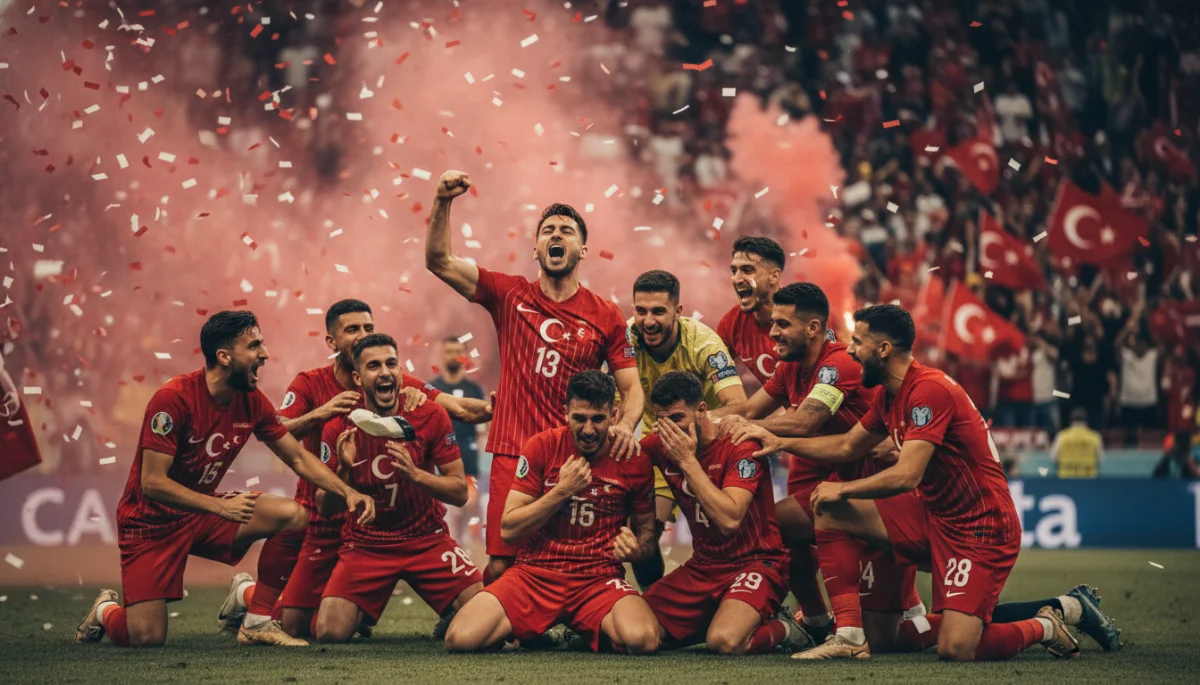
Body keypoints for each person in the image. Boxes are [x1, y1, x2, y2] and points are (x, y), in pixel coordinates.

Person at [752, 305, 1079, 661]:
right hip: (931, 513)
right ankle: (848, 634)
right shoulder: (889, 394)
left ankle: (1045, 625)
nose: (850, 351)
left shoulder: (928, 390)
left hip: (979, 527)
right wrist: (780, 442)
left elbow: (907, 474)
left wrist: (844, 487)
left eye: (857, 342)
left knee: (957, 649)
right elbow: (847, 445)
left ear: (883, 349)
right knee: (829, 510)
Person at [74, 311, 376, 648]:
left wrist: (347, 492)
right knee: (145, 638)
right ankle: (105, 611)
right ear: (224, 356)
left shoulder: (252, 401)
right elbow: (153, 483)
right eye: (254, 346)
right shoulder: (172, 399)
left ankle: (257, 620)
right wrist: (219, 506)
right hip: (150, 524)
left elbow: (297, 457)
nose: (264, 354)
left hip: (201, 514)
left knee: (293, 516)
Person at [217, 300, 492, 640]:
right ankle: (250, 594)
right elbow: (274, 432)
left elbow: (460, 410)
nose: (362, 335)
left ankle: (369, 609)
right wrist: (323, 413)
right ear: (332, 342)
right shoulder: (312, 387)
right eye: (352, 330)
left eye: (368, 328)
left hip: (395, 525)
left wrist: (500, 408)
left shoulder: (408, 390)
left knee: (478, 614)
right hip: (325, 518)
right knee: (301, 627)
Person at [425, 170, 643, 583]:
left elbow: (632, 389)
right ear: (536, 247)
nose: (555, 235)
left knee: (580, 561)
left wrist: (625, 426)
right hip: (514, 451)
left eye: (566, 230)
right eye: (547, 231)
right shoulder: (509, 294)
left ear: (582, 249)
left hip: (575, 455)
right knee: (503, 565)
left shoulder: (606, 314)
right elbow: (439, 261)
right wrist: (442, 200)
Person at [715, 282, 902, 642]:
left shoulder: (839, 363)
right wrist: (700, 420)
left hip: (885, 489)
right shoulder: (791, 367)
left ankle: (934, 619)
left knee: (891, 639)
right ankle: (816, 620)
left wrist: (751, 428)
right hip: (845, 483)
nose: (772, 333)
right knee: (776, 525)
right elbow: (750, 410)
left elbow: (804, 423)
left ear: (813, 328)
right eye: (773, 323)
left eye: (783, 324)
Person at [443, 371, 660, 654]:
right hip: (535, 575)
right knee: (460, 639)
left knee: (644, 640)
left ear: (614, 415)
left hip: (598, 579)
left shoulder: (633, 459)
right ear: (565, 412)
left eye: (598, 419)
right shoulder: (542, 446)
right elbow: (509, 528)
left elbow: (647, 537)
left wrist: (637, 551)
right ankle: (534, 631)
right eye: (579, 418)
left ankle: (580, 634)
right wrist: (562, 491)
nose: (588, 430)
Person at [309, 333, 484, 643]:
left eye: (391, 364)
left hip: (427, 539)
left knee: (482, 618)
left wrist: (416, 475)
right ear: (357, 378)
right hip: (367, 544)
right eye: (373, 366)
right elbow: (325, 507)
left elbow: (459, 492)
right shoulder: (339, 425)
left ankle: (450, 611)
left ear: (401, 372)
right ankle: (360, 610)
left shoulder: (429, 414)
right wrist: (345, 470)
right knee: (329, 633)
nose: (384, 372)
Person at [640, 371, 810, 655]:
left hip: (757, 562)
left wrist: (687, 461)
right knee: (636, 629)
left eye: (678, 418)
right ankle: (722, 616)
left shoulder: (740, 444)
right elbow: (616, 462)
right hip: (703, 566)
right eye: (662, 420)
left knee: (725, 642)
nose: (672, 430)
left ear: (701, 410)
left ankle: (786, 627)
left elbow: (730, 519)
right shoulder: (661, 443)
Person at [625, 269, 747, 589]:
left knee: (729, 535)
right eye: (641, 311)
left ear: (678, 311)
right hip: (659, 447)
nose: (648, 321)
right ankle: (652, 601)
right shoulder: (625, 340)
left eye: (658, 311)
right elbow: (614, 401)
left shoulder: (705, 344)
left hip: (711, 448)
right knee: (642, 537)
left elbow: (738, 405)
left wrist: (691, 425)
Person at [428, 337, 489, 545]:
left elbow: (483, 430)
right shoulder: (432, 388)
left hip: (468, 468)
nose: (453, 356)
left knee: (467, 522)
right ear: (442, 355)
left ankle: (465, 558)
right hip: (439, 470)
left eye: (457, 351)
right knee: (443, 523)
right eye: (449, 351)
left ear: (464, 355)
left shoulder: (475, 390)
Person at [716, 236, 786, 387]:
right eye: (734, 271)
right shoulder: (731, 324)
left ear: (774, 276)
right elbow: (712, 375)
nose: (737, 279)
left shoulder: (805, 316)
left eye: (747, 270)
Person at [1052, 408, 1103, 478]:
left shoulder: (1062, 436)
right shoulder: (1095, 437)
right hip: (1088, 478)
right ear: (1086, 421)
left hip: (1066, 478)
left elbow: (1054, 457)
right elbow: (1100, 458)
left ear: (1071, 421)